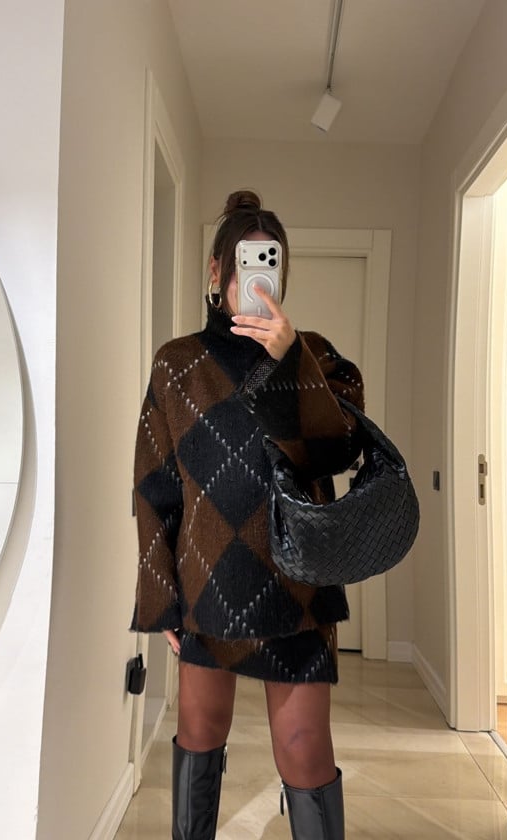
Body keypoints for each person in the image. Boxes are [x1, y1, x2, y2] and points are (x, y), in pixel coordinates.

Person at [131, 190, 365, 840]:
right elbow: (154, 486)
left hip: (298, 586)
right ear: (217, 270)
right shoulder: (177, 363)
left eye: (270, 260)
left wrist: (290, 362)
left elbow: (337, 451)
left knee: (304, 747)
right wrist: (160, 597)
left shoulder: (317, 355)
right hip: (208, 580)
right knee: (199, 733)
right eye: (245, 260)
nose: (258, 274)